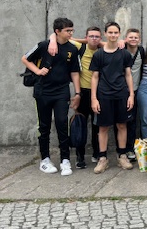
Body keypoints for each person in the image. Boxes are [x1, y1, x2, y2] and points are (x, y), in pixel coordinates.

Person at [22, 17, 81, 176]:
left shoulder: (72, 49)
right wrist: (37, 71)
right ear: (57, 31)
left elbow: (75, 72)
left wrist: (77, 93)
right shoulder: (43, 45)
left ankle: (65, 160)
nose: (71, 33)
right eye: (68, 31)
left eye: (72, 30)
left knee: (62, 124)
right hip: (42, 92)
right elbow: (25, 58)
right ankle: (45, 160)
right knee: (44, 127)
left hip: (62, 91)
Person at [89, 22, 135, 174]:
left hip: (121, 95)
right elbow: (94, 77)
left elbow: (128, 75)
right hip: (103, 95)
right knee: (103, 127)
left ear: (119, 34)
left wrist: (131, 95)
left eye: (116, 32)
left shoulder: (125, 54)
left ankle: (122, 156)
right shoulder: (98, 55)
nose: (113, 35)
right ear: (105, 34)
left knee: (122, 125)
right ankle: (103, 158)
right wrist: (94, 98)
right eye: (110, 32)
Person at [68, 26, 102, 168]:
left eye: (97, 36)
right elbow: (64, 37)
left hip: (99, 93)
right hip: (82, 92)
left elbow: (117, 43)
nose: (94, 39)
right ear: (86, 37)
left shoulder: (102, 50)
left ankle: (97, 153)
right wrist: (83, 41)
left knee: (97, 126)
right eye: (91, 36)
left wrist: (97, 42)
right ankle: (80, 157)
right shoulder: (80, 47)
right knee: (80, 125)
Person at [122, 28, 145, 161]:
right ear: (126, 38)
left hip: (135, 90)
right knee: (121, 121)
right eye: (130, 37)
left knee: (132, 121)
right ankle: (121, 149)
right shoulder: (121, 49)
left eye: (136, 37)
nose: (133, 39)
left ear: (139, 39)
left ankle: (130, 148)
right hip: (121, 90)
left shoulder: (141, 51)